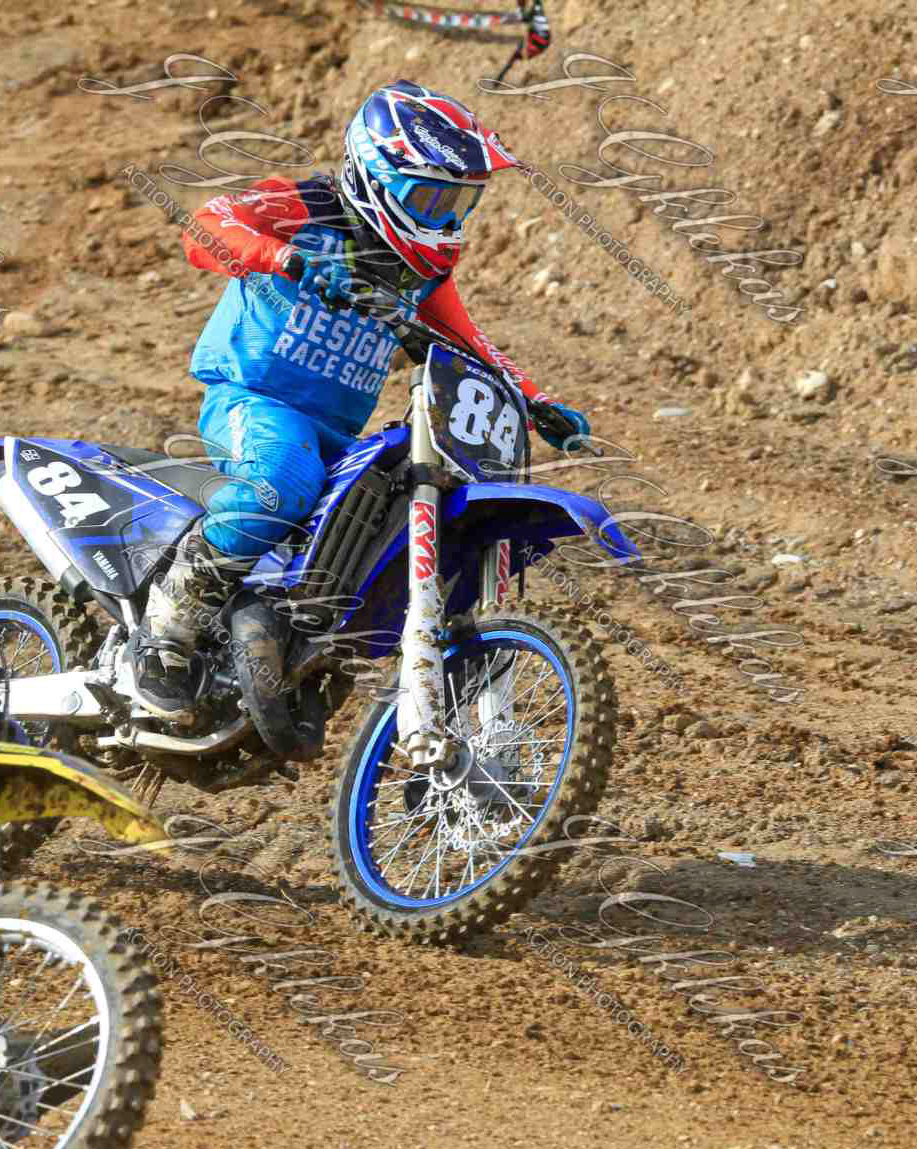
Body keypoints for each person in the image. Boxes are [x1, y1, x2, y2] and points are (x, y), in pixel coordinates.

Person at [129, 80, 592, 720]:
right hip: (255, 398)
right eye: (431, 198)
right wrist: (286, 258)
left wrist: (535, 401)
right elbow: (207, 225)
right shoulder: (307, 205)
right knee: (281, 482)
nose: (446, 220)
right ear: (376, 176)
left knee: (378, 520)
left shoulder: (419, 269)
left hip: (339, 432)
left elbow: (466, 338)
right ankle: (168, 625)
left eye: (460, 203)